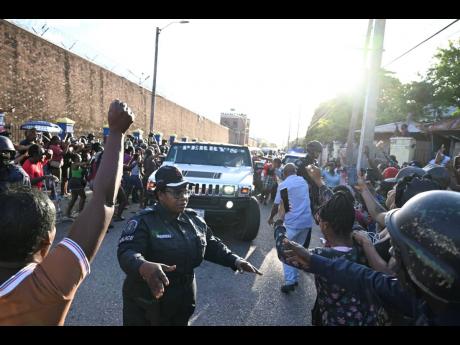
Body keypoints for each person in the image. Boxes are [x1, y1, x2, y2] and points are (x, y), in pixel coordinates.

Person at [0, 99, 134, 325]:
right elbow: (103, 201)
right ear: (46, 242)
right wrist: (117, 133)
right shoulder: (48, 289)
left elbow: (102, 201)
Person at [281, 189, 460, 325]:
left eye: (398, 251)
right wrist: (314, 261)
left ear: (427, 268)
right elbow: (363, 277)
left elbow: (376, 275)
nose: (390, 253)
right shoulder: (426, 301)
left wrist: (279, 223)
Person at [117, 165, 262, 326]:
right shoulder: (144, 221)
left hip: (184, 296)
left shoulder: (194, 220)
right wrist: (143, 266)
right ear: (160, 194)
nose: (184, 197)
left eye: (186, 191)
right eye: (177, 193)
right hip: (149, 297)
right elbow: (127, 252)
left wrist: (235, 260)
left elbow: (211, 245)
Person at [307, 192, 388, 325]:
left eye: (320, 221)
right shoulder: (365, 249)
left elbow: (284, 251)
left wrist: (280, 222)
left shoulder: (320, 255)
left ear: (325, 225)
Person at [268, 163, 312, 293]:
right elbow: (288, 204)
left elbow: (277, 205)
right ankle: (295, 278)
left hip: (293, 224)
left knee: (286, 251)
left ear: (285, 173)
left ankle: (290, 282)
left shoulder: (284, 185)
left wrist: (271, 218)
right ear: (295, 171)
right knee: (298, 250)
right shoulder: (303, 182)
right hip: (306, 223)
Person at [65, 153, 87, 219]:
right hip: (76, 182)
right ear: (75, 159)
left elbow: (84, 170)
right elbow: (81, 164)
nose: (80, 158)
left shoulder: (79, 165)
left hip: (74, 182)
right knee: (83, 197)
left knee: (74, 198)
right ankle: (81, 213)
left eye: (80, 157)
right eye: (78, 157)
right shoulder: (74, 164)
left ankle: (68, 213)